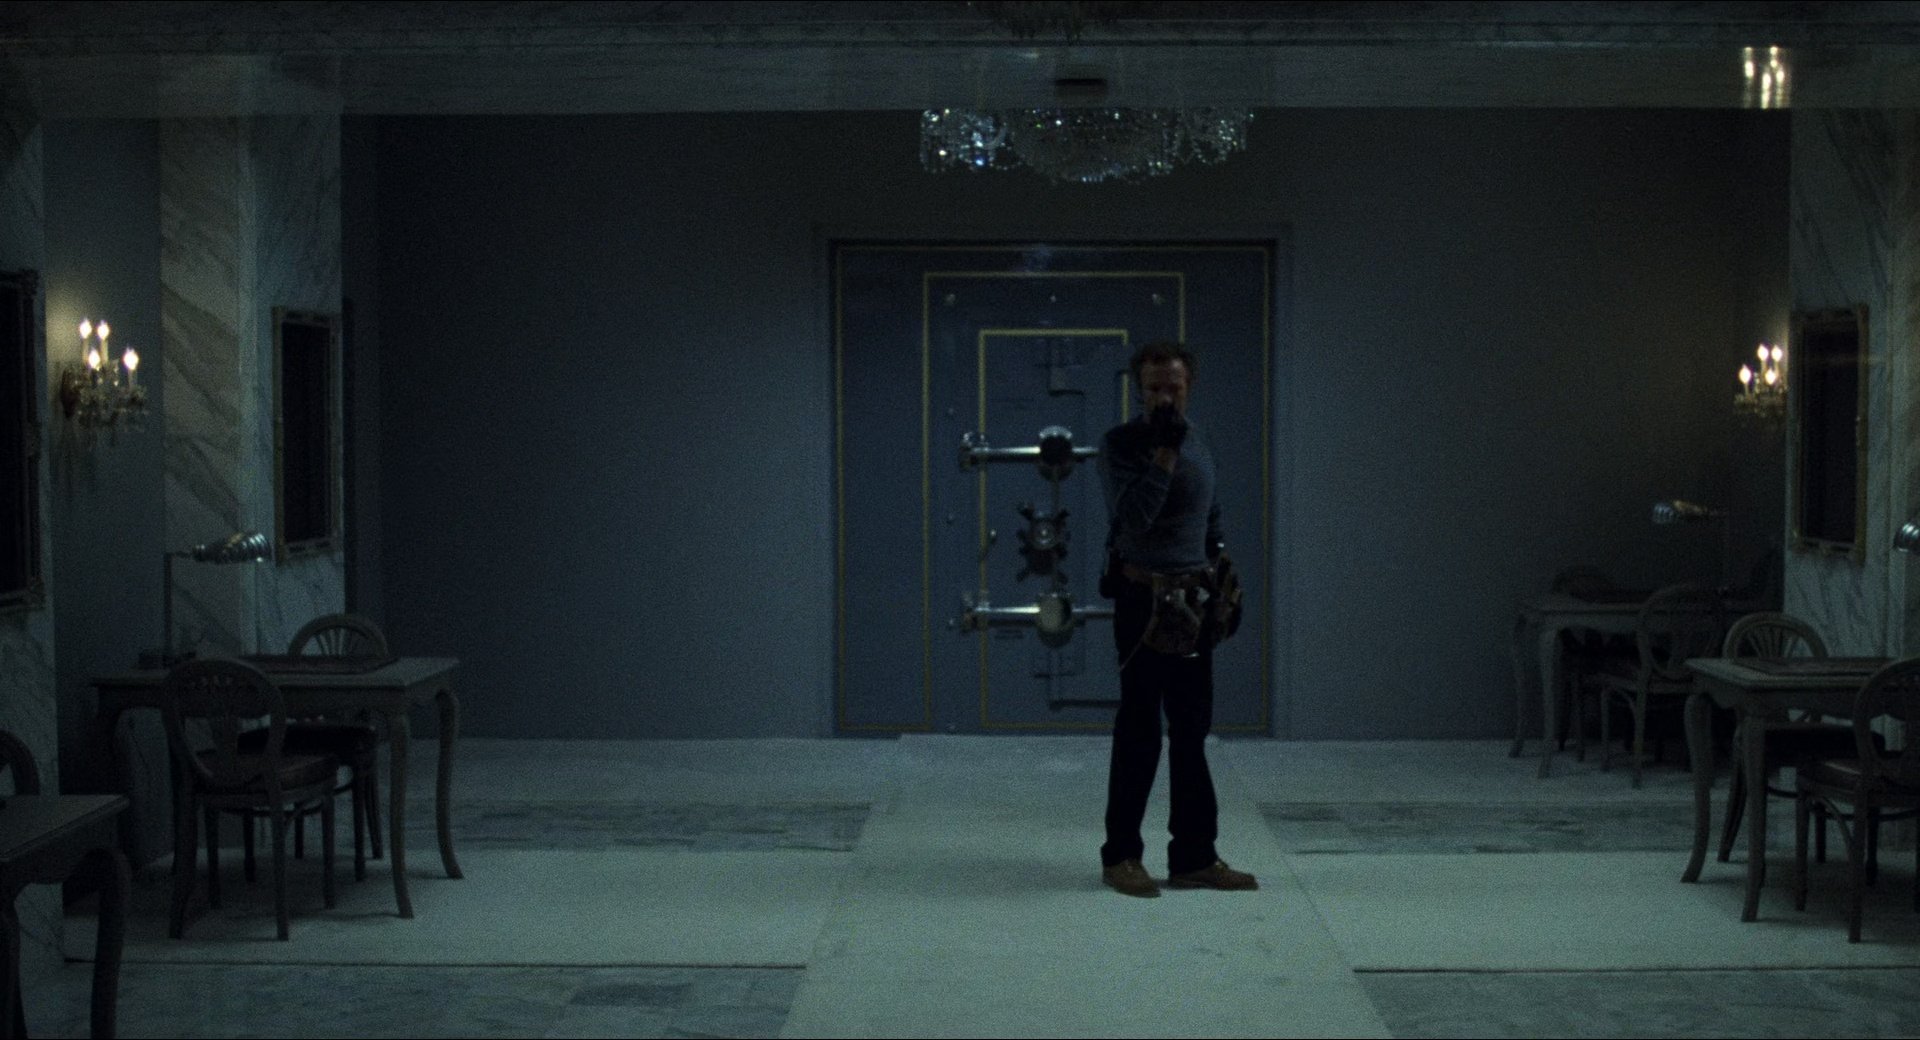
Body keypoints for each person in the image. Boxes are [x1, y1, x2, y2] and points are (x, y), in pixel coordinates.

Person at [1095, 341, 1257, 898]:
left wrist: (1220, 566)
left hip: (1193, 600)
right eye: (1154, 388)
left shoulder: (1200, 439)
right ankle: (1121, 856)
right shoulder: (1120, 444)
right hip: (1143, 599)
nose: (1165, 397)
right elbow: (1134, 518)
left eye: (1174, 387)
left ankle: (1194, 856)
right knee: (1139, 731)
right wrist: (1163, 455)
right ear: (1139, 390)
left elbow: (1211, 511)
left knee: (1191, 732)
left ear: (1190, 386)